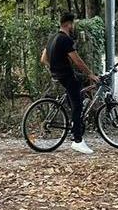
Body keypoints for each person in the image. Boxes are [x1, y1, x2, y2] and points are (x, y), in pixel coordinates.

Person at [41, 13, 99, 154]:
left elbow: (43, 59)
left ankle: (74, 117)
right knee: (77, 104)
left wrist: (54, 68)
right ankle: (77, 140)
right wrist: (90, 74)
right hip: (66, 75)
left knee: (78, 92)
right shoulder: (65, 39)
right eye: (73, 24)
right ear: (68, 24)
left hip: (58, 75)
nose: (73, 27)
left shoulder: (52, 38)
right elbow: (77, 60)